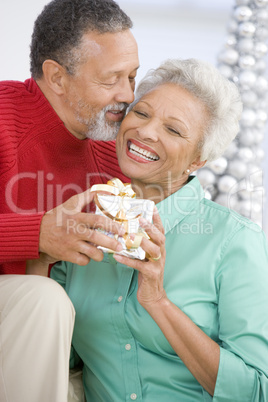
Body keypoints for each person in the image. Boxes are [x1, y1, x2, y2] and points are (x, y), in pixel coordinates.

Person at [50, 59, 268, 401]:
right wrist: (43, 244)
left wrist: (157, 301)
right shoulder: (85, 226)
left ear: (198, 160)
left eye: (174, 130)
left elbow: (256, 390)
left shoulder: (235, 241)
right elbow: (53, 357)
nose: (147, 132)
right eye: (142, 113)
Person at [0, 0, 139, 401]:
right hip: (28, 311)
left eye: (132, 76)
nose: (127, 95)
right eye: (111, 79)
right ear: (57, 77)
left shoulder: (118, 152)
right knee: (42, 301)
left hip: (59, 342)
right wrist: (37, 233)